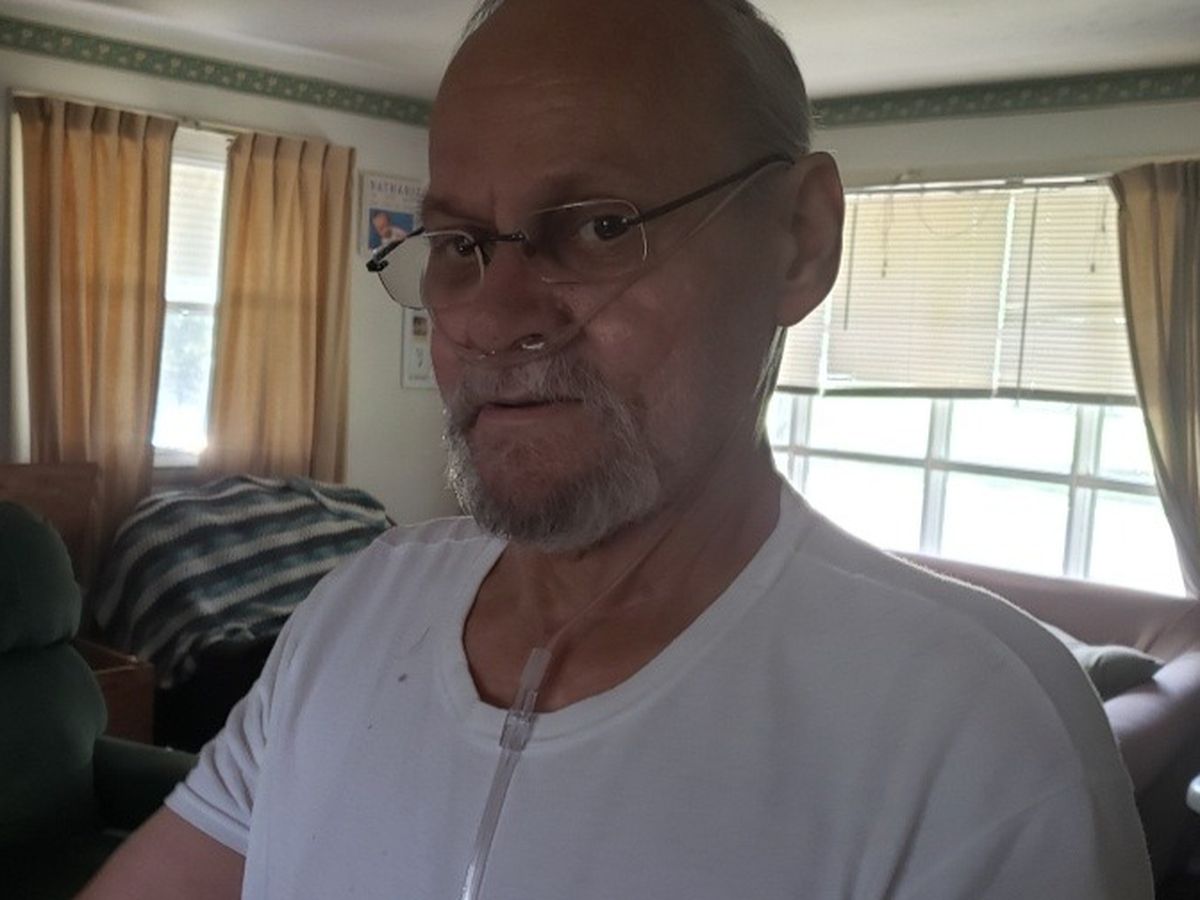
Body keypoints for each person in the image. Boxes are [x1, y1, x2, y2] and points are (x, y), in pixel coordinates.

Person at [79, 0, 1153, 897]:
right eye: (459, 244)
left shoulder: (980, 739)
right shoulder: (353, 614)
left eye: (599, 226)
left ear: (799, 241)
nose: (492, 319)